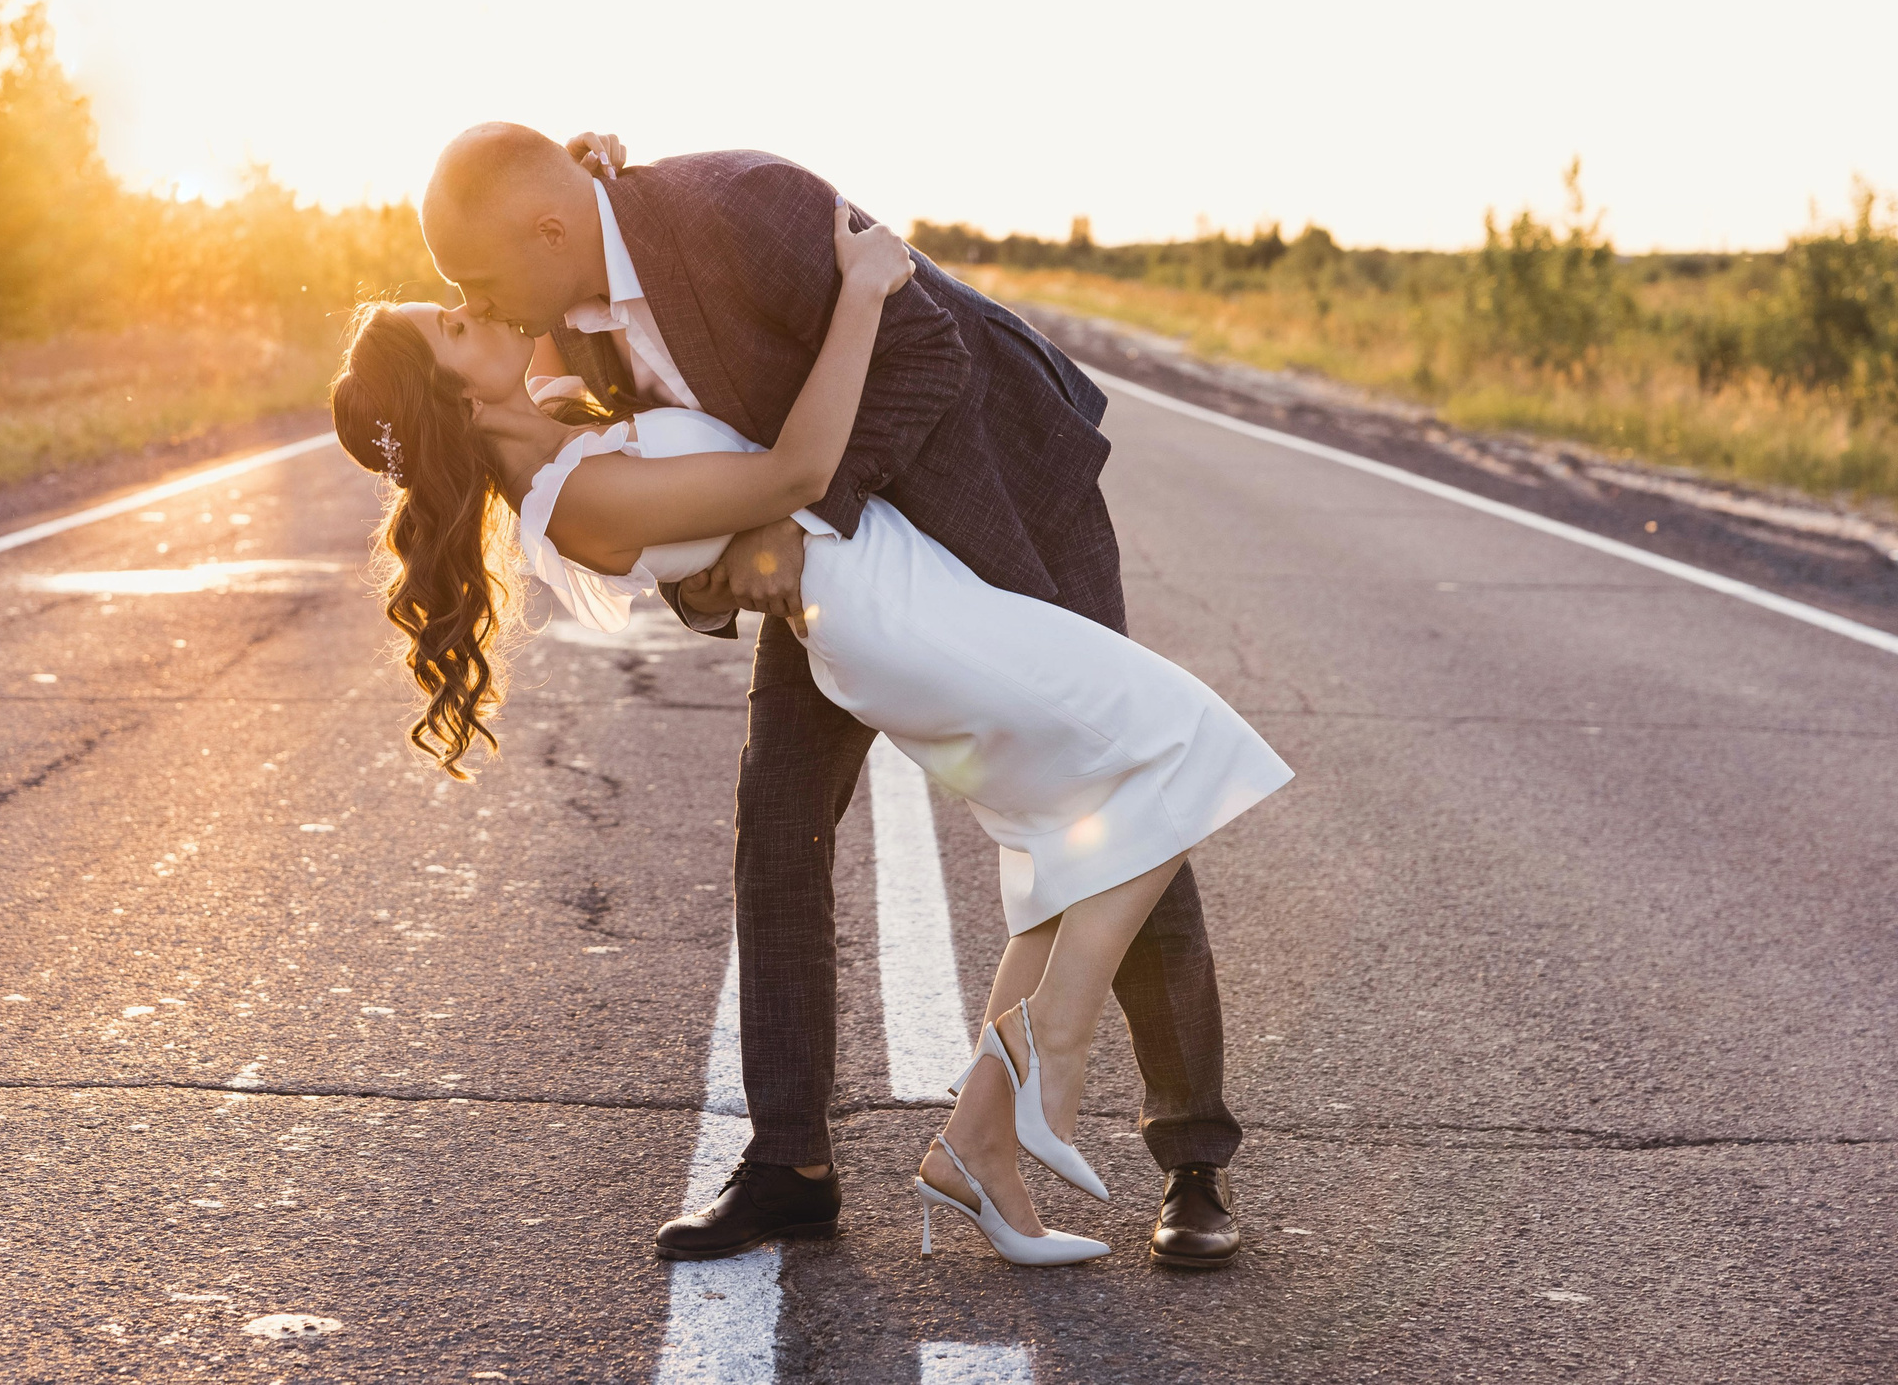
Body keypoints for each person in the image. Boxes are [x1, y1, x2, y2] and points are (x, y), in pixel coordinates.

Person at [328, 134, 1292, 1265]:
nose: (471, 303)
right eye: (457, 303)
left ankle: (1190, 1162)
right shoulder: (565, 314)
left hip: (983, 494)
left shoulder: (742, 207)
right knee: (778, 829)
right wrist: (734, 557)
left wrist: (791, 523)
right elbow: (637, 501)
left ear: (549, 232)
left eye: (475, 286)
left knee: (1120, 796)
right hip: (838, 575)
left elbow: (923, 352)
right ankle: (790, 1163)